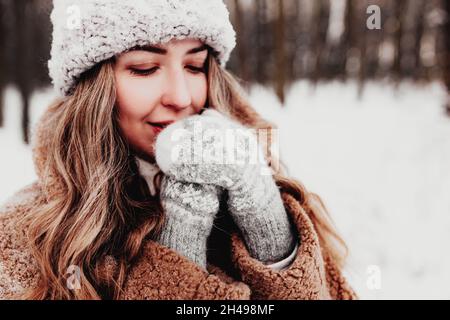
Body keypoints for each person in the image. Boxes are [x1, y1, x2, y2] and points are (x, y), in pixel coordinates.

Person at [0, 0, 357, 300]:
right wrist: (179, 248)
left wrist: (267, 222)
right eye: (145, 68)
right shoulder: (24, 237)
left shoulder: (260, 182)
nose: (181, 98)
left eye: (194, 66)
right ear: (93, 89)